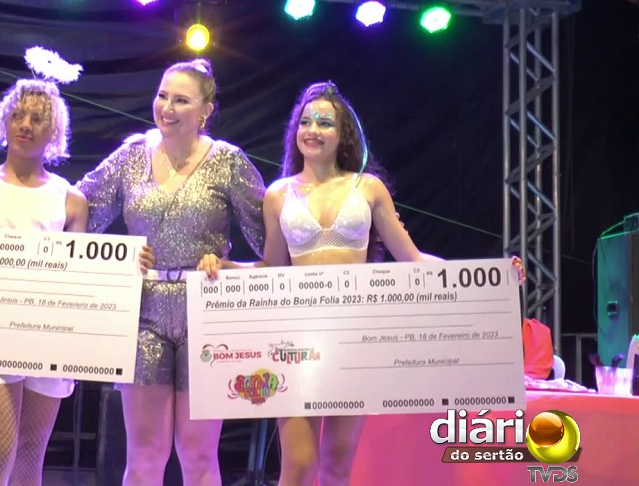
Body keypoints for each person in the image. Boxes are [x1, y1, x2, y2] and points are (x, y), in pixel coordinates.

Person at [198, 81, 524, 486]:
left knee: (337, 464)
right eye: (305, 122)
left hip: (354, 337)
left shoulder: (367, 188)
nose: (313, 130)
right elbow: (271, 267)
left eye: (324, 123)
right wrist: (225, 267)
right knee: (298, 465)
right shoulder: (278, 194)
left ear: (343, 134)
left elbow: (414, 260)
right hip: (296, 339)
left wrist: (492, 278)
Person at [0, 48, 154, 486]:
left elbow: (83, 276)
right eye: (18, 115)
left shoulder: (70, 199)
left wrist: (129, 264)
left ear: (53, 130)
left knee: (29, 459)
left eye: (37, 118)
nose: (25, 125)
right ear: (3, 121)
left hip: (47, 338)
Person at [75, 59, 265, 485]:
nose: (167, 107)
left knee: (198, 455)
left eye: (181, 100)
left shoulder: (228, 161)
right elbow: (77, 209)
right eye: (162, 96)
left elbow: (274, 245)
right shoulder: (131, 155)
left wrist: (231, 267)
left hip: (206, 314)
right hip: (144, 314)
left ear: (205, 110)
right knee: (144, 455)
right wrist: (119, 257)